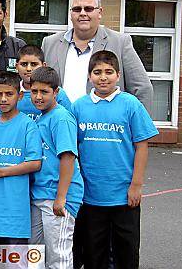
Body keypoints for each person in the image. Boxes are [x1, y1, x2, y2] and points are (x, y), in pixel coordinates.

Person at [71, 51, 158, 269]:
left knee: (126, 252)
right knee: (93, 253)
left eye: (109, 72)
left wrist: (136, 185)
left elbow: (142, 146)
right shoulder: (79, 107)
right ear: (89, 76)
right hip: (90, 197)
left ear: (118, 75)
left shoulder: (130, 104)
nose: (103, 77)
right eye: (97, 72)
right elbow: (73, 150)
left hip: (124, 196)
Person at [41, 0, 153, 114]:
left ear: (100, 12)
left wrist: (137, 127)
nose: (83, 13)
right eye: (77, 9)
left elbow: (143, 89)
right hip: (60, 127)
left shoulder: (120, 43)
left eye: (88, 9)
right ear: (70, 13)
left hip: (103, 128)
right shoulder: (50, 43)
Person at [0, 71, 42, 245]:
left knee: (16, 262)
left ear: (19, 96)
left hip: (16, 213)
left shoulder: (28, 125)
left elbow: (35, 163)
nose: (3, 99)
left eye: (9, 94)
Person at [29, 67, 84, 269]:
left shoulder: (61, 117)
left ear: (56, 92)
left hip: (57, 196)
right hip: (39, 194)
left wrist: (61, 197)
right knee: (34, 253)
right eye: (34, 91)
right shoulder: (41, 117)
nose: (38, 96)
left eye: (44, 92)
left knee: (58, 255)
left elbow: (68, 157)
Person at [15, 45, 72, 121]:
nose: (28, 69)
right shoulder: (11, 92)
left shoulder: (57, 93)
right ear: (16, 66)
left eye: (34, 64)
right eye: (24, 64)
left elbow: (68, 119)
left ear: (44, 65)